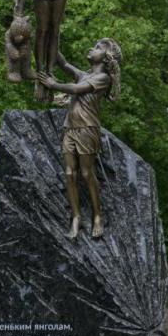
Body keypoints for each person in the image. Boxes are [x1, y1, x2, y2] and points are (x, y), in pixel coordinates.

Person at [36, 38, 122, 239]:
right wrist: (51, 38)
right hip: (70, 127)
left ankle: (98, 216)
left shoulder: (103, 78)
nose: (93, 47)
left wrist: (53, 84)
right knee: (69, 172)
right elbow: (63, 63)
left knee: (86, 172)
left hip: (87, 129)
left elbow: (75, 90)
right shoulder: (84, 74)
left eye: (99, 47)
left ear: (107, 57)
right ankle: (76, 217)